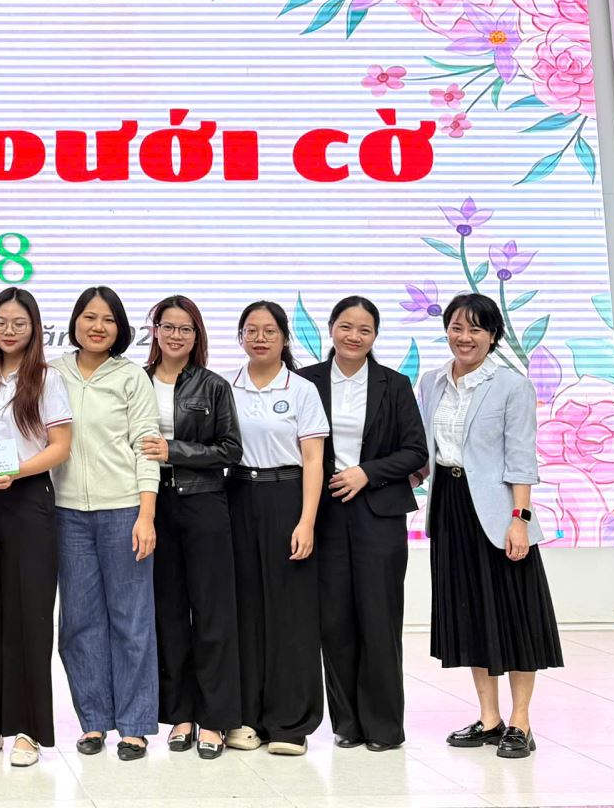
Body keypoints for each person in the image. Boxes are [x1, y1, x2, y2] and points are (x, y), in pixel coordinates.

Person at [422, 292, 563, 760]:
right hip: (451, 507)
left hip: (500, 511)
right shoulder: (431, 381)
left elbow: (521, 458)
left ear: (493, 335)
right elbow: (426, 449)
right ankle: (489, 719)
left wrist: (519, 519)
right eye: (457, 328)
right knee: (471, 614)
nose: (465, 338)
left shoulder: (511, 385)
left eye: (476, 329)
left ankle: (521, 722)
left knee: (516, 615)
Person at [296, 296, 429, 752]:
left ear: (375, 335)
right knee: (334, 622)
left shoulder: (395, 383)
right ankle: (348, 724)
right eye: (346, 326)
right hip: (325, 513)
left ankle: (385, 726)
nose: (354, 336)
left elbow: (415, 451)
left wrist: (367, 473)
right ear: (331, 328)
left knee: (379, 618)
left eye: (364, 329)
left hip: (379, 514)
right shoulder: (305, 381)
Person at [0, 288, 72, 768]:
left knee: (29, 614)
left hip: (28, 500)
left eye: (19, 323)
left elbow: (60, 446)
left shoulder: (46, 378)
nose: (9, 330)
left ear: (34, 329)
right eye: (1, 322)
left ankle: (27, 730)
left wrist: (15, 472)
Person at [50, 285, 160, 761]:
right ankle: (93, 720)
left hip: (124, 510)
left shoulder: (131, 376)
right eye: (89, 317)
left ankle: (134, 725)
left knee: (131, 620)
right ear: (75, 321)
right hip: (66, 512)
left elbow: (147, 446)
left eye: (108, 319)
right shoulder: (51, 372)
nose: (97, 326)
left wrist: (146, 514)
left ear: (120, 328)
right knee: (78, 621)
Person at [139, 294, 241, 761]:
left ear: (196, 335)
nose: (176, 335)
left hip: (203, 503)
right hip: (151, 504)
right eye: (168, 326)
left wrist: (174, 451)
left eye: (186, 328)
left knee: (212, 613)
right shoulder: (135, 380)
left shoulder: (213, 385)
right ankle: (180, 714)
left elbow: (230, 449)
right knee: (169, 613)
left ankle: (216, 719)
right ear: (155, 330)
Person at [226, 300, 327, 757]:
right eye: (251, 330)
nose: (260, 338)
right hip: (237, 496)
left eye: (269, 330)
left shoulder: (302, 390)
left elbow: (313, 460)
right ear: (240, 337)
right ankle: (245, 717)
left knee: (291, 612)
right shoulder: (226, 387)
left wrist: (307, 520)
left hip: (288, 497)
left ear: (285, 337)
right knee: (244, 610)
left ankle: (290, 723)